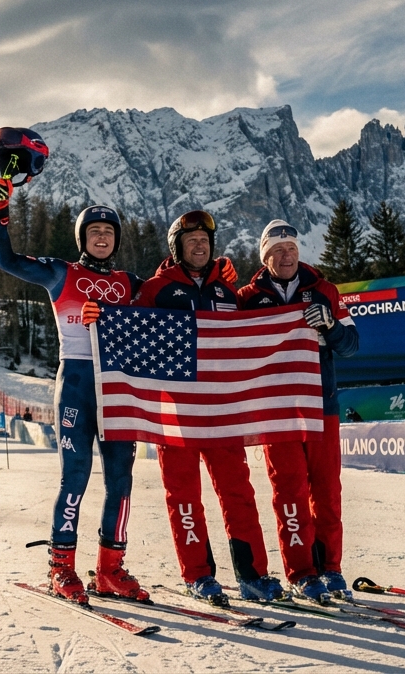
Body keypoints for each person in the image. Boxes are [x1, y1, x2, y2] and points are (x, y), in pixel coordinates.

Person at [0, 139, 147, 605]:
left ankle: (111, 570)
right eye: (94, 230)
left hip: (117, 389)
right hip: (76, 383)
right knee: (74, 477)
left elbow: (173, 306)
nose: (101, 237)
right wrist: (0, 215)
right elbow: (6, 261)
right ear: (83, 238)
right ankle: (62, 565)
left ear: (117, 240)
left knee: (121, 481)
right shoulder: (61, 273)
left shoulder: (130, 284)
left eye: (108, 232)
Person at [132, 211, 285, 606]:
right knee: (183, 495)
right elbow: (134, 340)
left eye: (204, 240)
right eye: (191, 241)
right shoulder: (156, 290)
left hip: (222, 410)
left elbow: (249, 341)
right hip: (175, 412)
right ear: (177, 248)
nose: (199, 246)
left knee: (238, 492)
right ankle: (198, 575)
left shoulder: (226, 292)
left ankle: (252, 575)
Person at [237, 219, 358, 603]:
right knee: (288, 490)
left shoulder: (324, 290)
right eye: (278, 250)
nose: (287, 256)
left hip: (322, 404)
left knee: (326, 490)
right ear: (265, 257)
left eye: (291, 248)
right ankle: (302, 571)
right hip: (276, 411)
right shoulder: (249, 297)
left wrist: (331, 327)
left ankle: (330, 567)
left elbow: (352, 345)